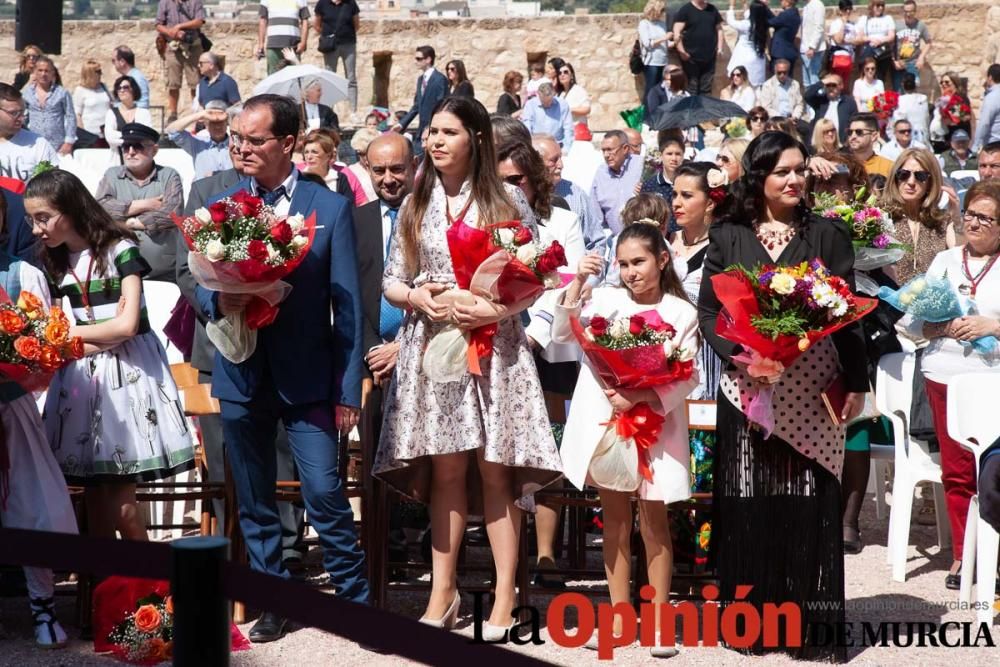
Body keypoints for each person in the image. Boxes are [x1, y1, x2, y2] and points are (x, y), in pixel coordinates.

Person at [374, 96, 562, 636]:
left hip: (495, 348)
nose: (434, 141)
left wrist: (495, 308)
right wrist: (417, 296)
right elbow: (391, 279)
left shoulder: (506, 201)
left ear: (475, 139)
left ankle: (504, 597)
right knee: (447, 470)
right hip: (431, 346)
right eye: (431, 131)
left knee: (495, 468)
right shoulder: (415, 204)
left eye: (448, 132)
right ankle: (443, 592)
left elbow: (536, 278)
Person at [195, 94, 370, 641]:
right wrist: (217, 303)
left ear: (289, 143)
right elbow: (195, 285)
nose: (241, 148)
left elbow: (350, 308)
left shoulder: (330, 208)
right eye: (237, 140)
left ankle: (355, 603)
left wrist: (348, 391)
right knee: (254, 496)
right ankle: (274, 599)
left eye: (254, 140)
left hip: (309, 379)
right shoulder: (217, 205)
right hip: (241, 372)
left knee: (323, 491)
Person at [698, 131, 867, 661]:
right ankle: (754, 618)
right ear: (759, 179)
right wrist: (745, 357)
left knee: (810, 498)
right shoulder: (727, 234)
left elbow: (846, 314)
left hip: (812, 386)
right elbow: (710, 312)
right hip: (746, 386)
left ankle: (807, 621)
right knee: (752, 500)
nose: (793, 180)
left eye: (799, 169)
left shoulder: (827, 234)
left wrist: (857, 384)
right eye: (781, 172)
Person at [553, 221, 699, 659]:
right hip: (607, 422)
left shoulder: (681, 311)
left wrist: (639, 394)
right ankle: (619, 616)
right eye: (623, 264)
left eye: (639, 262)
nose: (631, 272)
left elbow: (686, 375)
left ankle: (655, 618)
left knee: (654, 522)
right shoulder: (605, 297)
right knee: (614, 519)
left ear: (662, 259)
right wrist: (579, 280)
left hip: (655, 423)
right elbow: (564, 332)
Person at [27, 169, 194, 543]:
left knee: (123, 509)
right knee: (97, 507)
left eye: (43, 217)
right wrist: (92, 337)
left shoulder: (120, 248)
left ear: (70, 210)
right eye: (32, 219)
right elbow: (74, 337)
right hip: (82, 381)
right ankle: (104, 595)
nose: (36, 228)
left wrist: (72, 334)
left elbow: (127, 326)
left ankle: (152, 593)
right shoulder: (56, 262)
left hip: (128, 379)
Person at [902, 179, 1000, 589]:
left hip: (993, 382)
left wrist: (992, 324)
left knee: (992, 475)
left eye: (986, 218)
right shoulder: (944, 260)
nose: (974, 223)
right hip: (944, 377)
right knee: (958, 473)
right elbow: (912, 324)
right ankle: (964, 555)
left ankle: (995, 556)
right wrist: (941, 325)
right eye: (970, 215)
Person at [500, 139, 586, 591]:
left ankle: (547, 552)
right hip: (497, 341)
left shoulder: (562, 220)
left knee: (548, 443)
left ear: (534, 179)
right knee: (505, 449)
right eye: (501, 181)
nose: (510, 188)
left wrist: (534, 334)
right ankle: (507, 554)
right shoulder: (488, 219)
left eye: (516, 180)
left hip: (548, 347)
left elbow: (565, 283)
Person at [0, 189, 78, 649]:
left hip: (12, 406)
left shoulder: (23, 272)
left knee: (36, 507)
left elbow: (44, 342)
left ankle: (44, 610)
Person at [94, 123, 183, 281]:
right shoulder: (112, 175)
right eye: (126, 146)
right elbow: (99, 209)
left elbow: (173, 214)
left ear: (154, 150)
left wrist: (132, 223)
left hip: (164, 272)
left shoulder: (169, 175)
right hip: (119, 272)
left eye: (137, 146)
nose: (130, 152)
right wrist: (145, 204)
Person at [669, 162, 722, 400]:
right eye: (674, 194)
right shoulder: (665, 241)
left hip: (707, 356)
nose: (676, 203)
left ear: (710, 203)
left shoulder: (722, 248)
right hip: (666, 354)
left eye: (687, 195)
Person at [881, 147, 959, 285]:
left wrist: (957, 219)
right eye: (903, 174)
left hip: (932, 302)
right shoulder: (879, 216)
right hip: (887, 301)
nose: (911, 182)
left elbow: (961, 258)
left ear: (931, 182)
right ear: (895, 178)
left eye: (920, 176)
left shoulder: (942, 221)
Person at [533, 133, 604, 250]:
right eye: (553, 160)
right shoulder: (522, 194)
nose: (561, 165)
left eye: (560, 158)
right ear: (535, 163)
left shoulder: (576, 194)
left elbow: (596, 241)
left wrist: (589, 263)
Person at [156, 0, 207, 123]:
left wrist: (179, 27)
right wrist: (171, 32)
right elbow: (158, 24)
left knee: (196, 83)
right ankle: (173, 113)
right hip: (173, 47)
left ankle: (198, 114)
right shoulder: (165, 2)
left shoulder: (195, 2)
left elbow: (199, 21)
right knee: (173, 83)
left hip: (193, 47)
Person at [394, 46, 448, 157]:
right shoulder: (420, 79)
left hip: (434, 130)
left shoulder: (440, 79)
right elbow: (417, 106)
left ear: (428, 59)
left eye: (419, 59)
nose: (416, 62)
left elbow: (442, 105)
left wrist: (432, 126)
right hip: (421, 130)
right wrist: (401, 123)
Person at [0, 84, 58, 182]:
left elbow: (52, 185)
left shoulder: (38, 144)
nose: (21, 118)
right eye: (14, 113)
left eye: (22, 112)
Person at [165, 101, 234, 180]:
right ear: (206, 124)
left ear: (226, 123)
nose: (217, 127)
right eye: (213, 122)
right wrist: (200, 115)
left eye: (220, 122)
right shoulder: (197, 143)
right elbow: (172, 131)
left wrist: (229, 116)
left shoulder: (236, 144)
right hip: (204, 191)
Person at [593, 130, 642, 236]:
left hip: (645, 237)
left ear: (625, 149)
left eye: (610, 150)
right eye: (603, 151)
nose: (606, 155)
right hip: (617, 241)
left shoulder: (642, 166)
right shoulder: (601, 174)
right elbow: (596, 218)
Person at [22, 56, 75, 156]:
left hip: (57, 146)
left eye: (47, 71)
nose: (43, 74)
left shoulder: (62, 93)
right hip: (33, 143)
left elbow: (71, 117)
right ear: (35, 72)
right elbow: (23, 118)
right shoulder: (27, 93)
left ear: (52, 73)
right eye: (40, 70)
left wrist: (69, 142)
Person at [314, 0, 359, 111]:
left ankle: (353, 111)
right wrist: (328, 37)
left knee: (351, 78)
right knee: (329, 78)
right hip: (330, 46)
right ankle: (329, 109)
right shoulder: (322, 3)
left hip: (348, 44)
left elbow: (356, 25)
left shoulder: (351, 3)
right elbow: (317, 25)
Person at [673, 0, 724, 96]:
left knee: (706, 89)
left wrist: (720, 47)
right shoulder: (685, 10)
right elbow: (677, 31)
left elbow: (719, 29)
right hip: (690, 58)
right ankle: (693, 110)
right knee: (692, 89)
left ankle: (704, 111)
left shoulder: (712, 9)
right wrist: (682, 51)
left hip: (709, 57)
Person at [640, 133, 685, 231]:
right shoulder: (650, 185)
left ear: (683, 156)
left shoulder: (688, 183)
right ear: (661, 156)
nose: (674, 159)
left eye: (678, 154)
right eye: (669, 154)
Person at [104, 76, 153, 163]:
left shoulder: (143, 113)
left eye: (125, 87)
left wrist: (122, 137)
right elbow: (110, 137)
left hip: (139, 162)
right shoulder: (111, 113)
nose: (121, 90)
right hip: (118, 162)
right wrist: (134, 138)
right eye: (119, 88)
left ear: (133, 89)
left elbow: (146, 137)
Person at [300, 128, 357, 201]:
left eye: (314, 152)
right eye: (306, 152)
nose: (309, 157)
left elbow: (349, 208)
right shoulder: (299, 179)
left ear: (328, 155)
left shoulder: (340, 179)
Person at [257, 0, 310, 75]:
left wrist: (303, 42)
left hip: (293, 45)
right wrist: (261, 44)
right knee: (273, 78)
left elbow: (305, 20)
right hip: (273, 45)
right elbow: (263, 20)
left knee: (295, 77)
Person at [804, 73, 857, 146]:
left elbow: (854, 122)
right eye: (828, 85)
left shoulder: (849, 102)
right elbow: (807, 95)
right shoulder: (820, 101)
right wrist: (823, 82)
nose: (831, 88)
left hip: (841, 145)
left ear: (841, 86)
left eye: (834, 85)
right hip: (820, 145)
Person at [724, 0, 768, 88]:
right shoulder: (763, 23)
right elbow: (751, 15)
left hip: (744, 57)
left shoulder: (746, 25)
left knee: (741, 86)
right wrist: (744, 4)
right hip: (758, 58)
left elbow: (731, 21)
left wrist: (731, 6)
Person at [639, 0, 673, 107]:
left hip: (663, 61)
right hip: (651, 62)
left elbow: (666, 44)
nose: (663, 12)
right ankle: (647, 116)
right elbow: (647, 43)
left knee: (662, 89)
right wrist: (664, 38)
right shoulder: (644, 24)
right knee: (651, 89)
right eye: (661, 10)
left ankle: (659, 114)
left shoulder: (662, 24)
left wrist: (675, 41)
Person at [892, 0, 932, 92]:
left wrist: (921, 57)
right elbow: (890, 45)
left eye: (910, 11)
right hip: (900, 64)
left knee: (913, 92)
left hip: (913, 64)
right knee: (898, 93)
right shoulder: (897, 25)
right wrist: (894, 61)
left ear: (915, 11)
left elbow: (928, 42)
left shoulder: (920, 25)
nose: (908, 14)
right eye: (906, 11)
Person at [520, 82, 573, 151]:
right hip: (537, 146)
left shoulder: (562, 104)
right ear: (538, 95)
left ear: (554, 94)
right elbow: (527, 127)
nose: (547, 105)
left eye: (549, 101)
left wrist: (567, 148)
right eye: (544, 102)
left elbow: (568, 127)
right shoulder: (530, 105)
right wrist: (529, 146)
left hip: (558, 145)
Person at [857, 0, 895, 89]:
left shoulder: (888, 18)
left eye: (882, 5)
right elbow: (860, 37)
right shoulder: (864, 19)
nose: (880, 8)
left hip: (882, 52)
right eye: (878, 5)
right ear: (872, 6)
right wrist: (871, 39)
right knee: (866, 76)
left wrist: (880, 41)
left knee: (880, 78)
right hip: (869, 50)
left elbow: (891, 36)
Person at [931, 71, 973, 151]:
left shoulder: (960, 98)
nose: (943, 84)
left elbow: (960, 117)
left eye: (947, 82)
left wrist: (948, 108)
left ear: (955, 83)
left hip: (958, 138)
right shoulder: (944, 98)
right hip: (946, 138)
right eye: (941, 82)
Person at [73, 60, 112, 141]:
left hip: (106, 132)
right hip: (90, 133)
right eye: (98, 71)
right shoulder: (80, 90)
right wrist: (84, 134)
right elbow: (77, 114)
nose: (101, 74)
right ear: (90, 74)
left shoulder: (103, 87)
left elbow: (111, 105)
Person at [847, 112, 893, 179]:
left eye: (859, 132)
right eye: (850, 132)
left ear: (874, 136)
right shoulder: (841, 165)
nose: (853, 136)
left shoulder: (889, 167)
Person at [827, 0, 862, 85]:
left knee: (846, 86)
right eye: (845, 9)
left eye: (850, 9)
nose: (848, 11)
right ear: (840, 10)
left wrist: (846, 41)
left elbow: (860, 40)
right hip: (838, 59)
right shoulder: (836, 24)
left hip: (850, 58)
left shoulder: (853, 25)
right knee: (836, 83)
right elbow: (838, 40)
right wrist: (843, 23)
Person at [767, 0, 801, 79]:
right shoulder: (795, 14)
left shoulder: (786, 15)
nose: (780, 2)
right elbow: (776, 20)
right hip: (788, 51)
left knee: (778, 80)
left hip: (780, 52)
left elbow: (770, 22)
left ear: (787, 2)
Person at [894, 72, 930, 144]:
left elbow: (898, 120)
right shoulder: (924, 98)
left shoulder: (900, 100)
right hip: (924, 136)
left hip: (909, 137)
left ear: (902, 85)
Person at [111, 45, 151, 109]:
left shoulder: (137, 78)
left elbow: (143, 104)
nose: (113, 63)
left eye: (113, 60)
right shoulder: (127, 77)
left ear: (122, 62)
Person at [556, 62, 591, 133]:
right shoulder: (560, 94)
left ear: (571, 75)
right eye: (560, 73)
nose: (562, 75)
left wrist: (570, 110)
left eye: (565, 72)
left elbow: (587, 109)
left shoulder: (578, 90)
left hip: (578, 131)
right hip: (564, 131)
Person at [799, 0, 826, 88]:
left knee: (814, 81)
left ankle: (815, 102)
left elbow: (819, 27)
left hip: (813, 51)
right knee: (806, 83)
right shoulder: (806, 6)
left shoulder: (817, 5)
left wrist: (812, 47)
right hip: (805, 49)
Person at [974, 64, 1000, 153]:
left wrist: (975, 145)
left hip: (994, 144)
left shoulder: (992, 97)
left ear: (990, 77)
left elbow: (985, 123)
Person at [348, 128, 378, 203]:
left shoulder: (385, 169)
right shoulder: (350, 172)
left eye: (368, 153)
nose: (365, 158)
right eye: (361, 154)